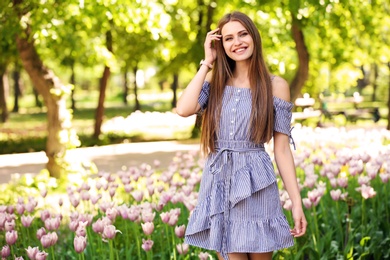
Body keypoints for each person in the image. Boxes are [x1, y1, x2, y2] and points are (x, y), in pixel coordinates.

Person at [176, 11, 307, 260]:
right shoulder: (215, 82)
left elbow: (281, 149)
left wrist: (296, 203)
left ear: (254, 37)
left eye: (243, 34)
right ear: (220, 44)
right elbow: (183, 109)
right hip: (219, 182)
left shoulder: (275, 85)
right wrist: (207, 62)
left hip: (256, 183)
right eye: (228, 38)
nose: (237, 42)